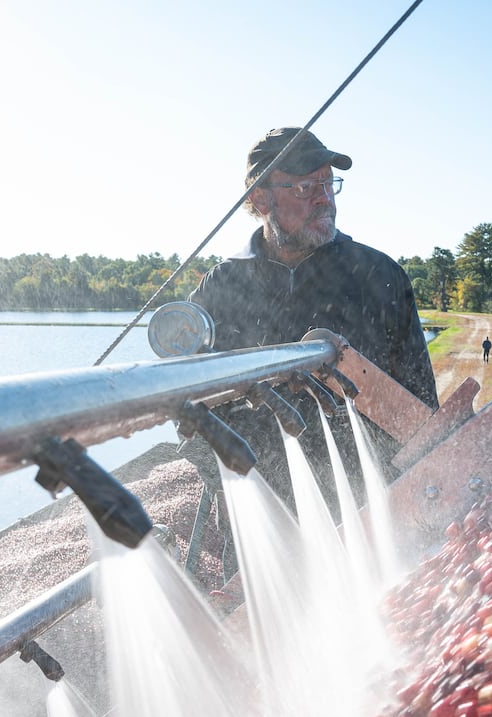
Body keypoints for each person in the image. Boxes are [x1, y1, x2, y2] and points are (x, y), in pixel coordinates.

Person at [185, 126, 439, 517]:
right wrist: (233, 482)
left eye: (329, 184)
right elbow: (189, 400)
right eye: (305, 188)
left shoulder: (378, 275)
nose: (325, 200)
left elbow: (420, 403)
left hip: (369, 505)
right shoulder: (222, 285)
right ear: (260, 197)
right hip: (261, 510)